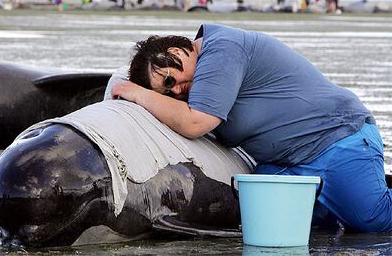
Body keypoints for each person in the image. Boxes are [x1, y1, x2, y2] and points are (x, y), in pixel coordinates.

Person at [111, 24, 392, 233]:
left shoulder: (220, 50)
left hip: (337, 139)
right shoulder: (199, 87)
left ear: (174, 52)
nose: (176, 91)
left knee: (372, 220)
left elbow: (196, 123)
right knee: (273, 222)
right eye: (167, 94)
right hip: (286, 163)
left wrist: (137, 93)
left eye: (170, 80)